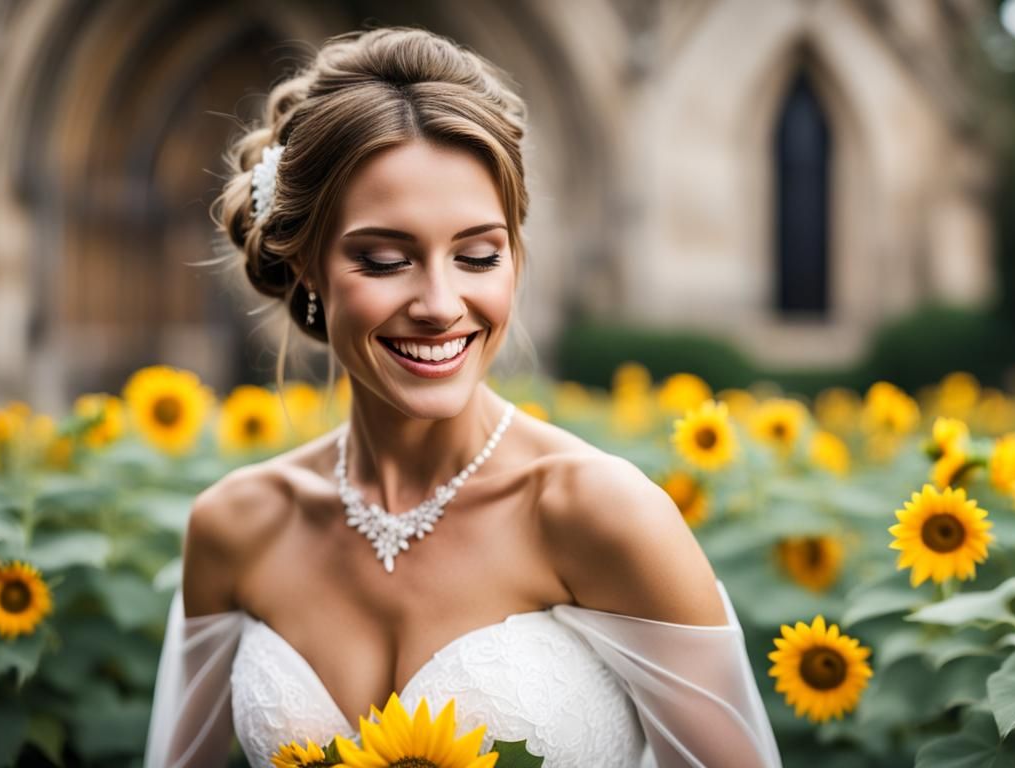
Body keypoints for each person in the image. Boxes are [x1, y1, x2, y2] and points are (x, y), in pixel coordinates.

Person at [144, 26, 782, 768]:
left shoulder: (601, 516)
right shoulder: (235, 528)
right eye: (384, 259)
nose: (441, 304)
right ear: (308, 265)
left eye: (478, 255)